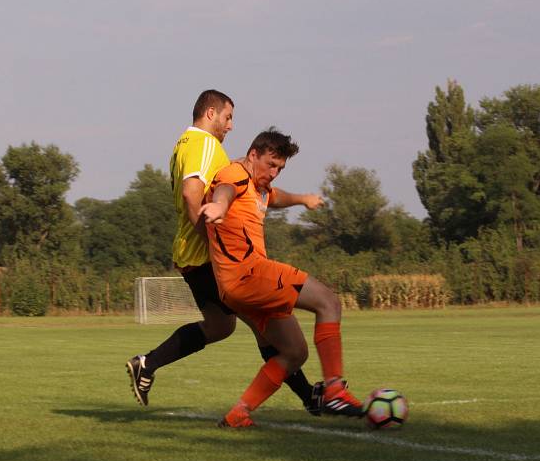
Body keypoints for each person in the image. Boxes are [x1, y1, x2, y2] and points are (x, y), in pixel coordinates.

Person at [126, 90, 323, 415]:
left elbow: (264, 196)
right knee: (266, 325)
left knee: (221, 327)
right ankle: (310, 397)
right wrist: (219, 246)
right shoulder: (204, 144)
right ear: (210, 113)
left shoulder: (187, 146)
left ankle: (147, 364)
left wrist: (301, 199)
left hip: (194, 256)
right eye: (228, 117)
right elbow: (193, 197)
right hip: (210, 258)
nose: (231, 126)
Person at [199, 127, 363, 428]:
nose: (274, 172)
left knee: (294, 352)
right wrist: (219, 206)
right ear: (253, 155)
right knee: (328, 302)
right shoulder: (235, 173)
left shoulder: (259, 188)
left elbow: (275, 198)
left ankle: (238, 413)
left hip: (235, 289)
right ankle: (335, 391)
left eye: (280, 168)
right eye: (270, 164)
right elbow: (225, 190)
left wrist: (303, 199)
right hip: (250, 273)